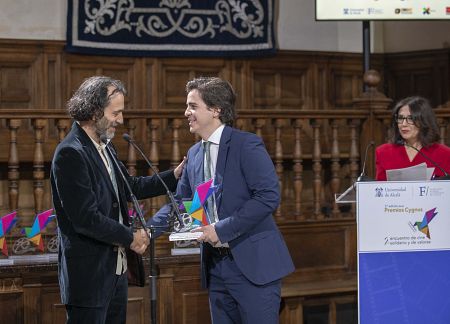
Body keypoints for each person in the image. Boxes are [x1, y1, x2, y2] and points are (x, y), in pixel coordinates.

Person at [149, 77, 294, 323]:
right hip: (216, 267)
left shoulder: (245, 144)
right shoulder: (194, 154)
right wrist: (147, 231)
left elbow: (268, 197)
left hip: (253, 266)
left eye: (193, 106)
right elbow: (184, 202)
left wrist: (221, 229)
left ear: (216, 110)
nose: (186, 113)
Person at [50, 76, 185, 324]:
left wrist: (174, 176)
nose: (120, 120)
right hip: (89, 277)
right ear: (93, 111)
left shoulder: (105, 147)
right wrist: (130, 237)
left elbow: (129, 187)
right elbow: (86, 218)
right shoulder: (71, 153)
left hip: (115, 271)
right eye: (116, 113)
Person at [376, 96, 450, 181]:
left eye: (410, 118)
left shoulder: (445, 154)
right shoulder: (383, 153)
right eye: (400, 118)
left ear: (424, 121)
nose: (403, 124)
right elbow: (379, 190)